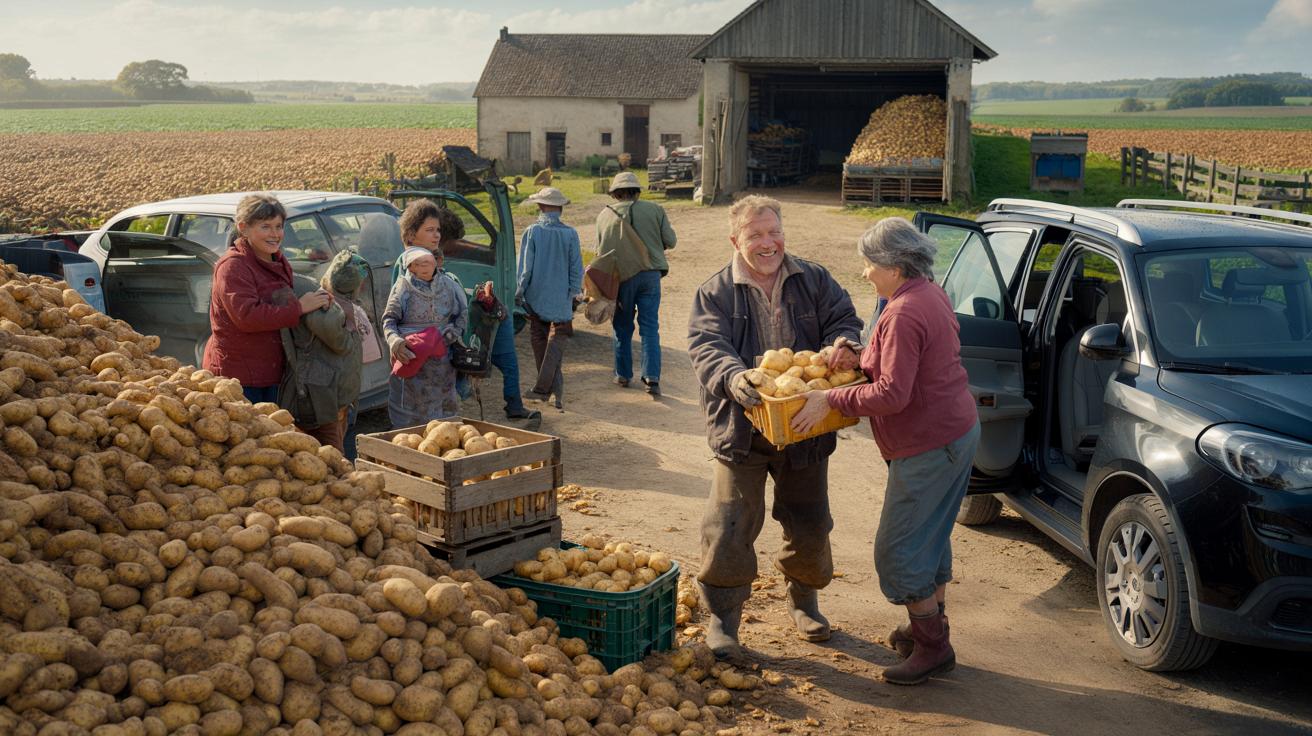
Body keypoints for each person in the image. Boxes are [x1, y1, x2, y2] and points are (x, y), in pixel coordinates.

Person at [791, 217, 980, 686]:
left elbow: (893, 395)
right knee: (930, 538)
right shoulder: (924, 292)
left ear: (894, 265)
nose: (864, 272)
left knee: (898, 550)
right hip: (955, 432)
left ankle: (933, 646)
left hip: (931, 443)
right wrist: (858, 353)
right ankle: (928, 628)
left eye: (869, 263)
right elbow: (899, 362)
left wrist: (829, 398)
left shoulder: (903, 312)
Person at [686, 195, 863, 658]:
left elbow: (844, 319)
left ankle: (804, 599)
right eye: (755, 235)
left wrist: (844, 344)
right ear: (735, 240)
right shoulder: (716, 292)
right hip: (742, 427)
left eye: (773, 232)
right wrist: (733, 377)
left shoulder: (814, 278)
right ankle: (724, 619)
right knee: (728, 525)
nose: (767, 244)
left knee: (809, 522)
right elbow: (706, 345)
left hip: (804, 424)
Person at [204, 193, 332, 404]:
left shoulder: (277, 260)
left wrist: (320, 297)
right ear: (243, 227)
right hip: (239, 375)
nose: (275, 234)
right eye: (265, 227)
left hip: (271, 368)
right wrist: (299, 307)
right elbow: (248, 316)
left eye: (279, 226)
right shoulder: (233, 266)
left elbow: (284, 296)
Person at [433, 207, 539, 427]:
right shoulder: (431, 260)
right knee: (497, 362)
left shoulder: (447, 257)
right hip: (471, 321)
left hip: (488, 315)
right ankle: (513, 405)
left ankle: (514, 405)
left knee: (506, 362)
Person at [595, 171, 677, 396]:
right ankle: (651, 378)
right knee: (650, 327)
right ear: (637, 191)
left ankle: (622, 375)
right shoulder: (655, 210)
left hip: (621, 279)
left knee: (622, 326)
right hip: (650, 276)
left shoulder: (604, 216)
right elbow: (671, 241)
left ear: (615, 193)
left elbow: (599, 253)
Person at [280, 250, 366, 452]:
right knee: (330, 455)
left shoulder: (335, 304)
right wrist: (349, 333)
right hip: (319, 396)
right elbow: (340, 342)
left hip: (332, 396)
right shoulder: (324, 306)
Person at [383, 248, 467, 428]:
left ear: (435, 263)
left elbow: (462, 314)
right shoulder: (402, 288)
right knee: (412, 419)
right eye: (418, 264)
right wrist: (396, 342)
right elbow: (389, 320)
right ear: (410, 267)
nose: (424, 267)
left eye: (427, 262)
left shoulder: (449, 285)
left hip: (442, 361)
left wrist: (452, 334)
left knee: (445, 418)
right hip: (413, 359)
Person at [516, 187, 582, 410]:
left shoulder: (533, 232)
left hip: (537, 294)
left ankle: (543, 389)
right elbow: (576, 269)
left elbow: (525, 269)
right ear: (560, 209)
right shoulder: (571, 234)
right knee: (558, 338)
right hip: (561, 295)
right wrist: (574, 293)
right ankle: (556, 392)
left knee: (539, 336)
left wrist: (519, 292)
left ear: (540, 207)